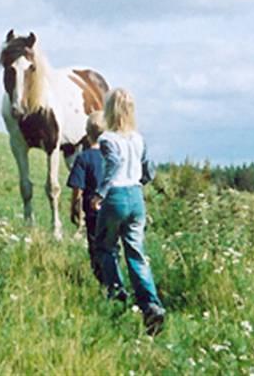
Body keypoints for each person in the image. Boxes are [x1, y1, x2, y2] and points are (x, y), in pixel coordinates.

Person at [91, 88, 165, 335]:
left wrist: (100, 193)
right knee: (136, 252)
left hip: (115, 196)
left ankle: (117, 295)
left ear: (110, 110)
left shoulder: (107, 139)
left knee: (106, 247)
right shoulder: (138, 138)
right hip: (136, 196)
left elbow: (113, 165)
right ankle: (150, 304)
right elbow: (149, 170)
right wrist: (141, 182)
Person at [66, 111, 107, 283]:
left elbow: (78, 189)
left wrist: (74, 208)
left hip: (92, 212)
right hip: (111, 208)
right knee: (111, 246)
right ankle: (114, 279)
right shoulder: (111, 157)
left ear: (86, 132)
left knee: (95, 246)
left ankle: (102, 280)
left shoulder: (83, 158)